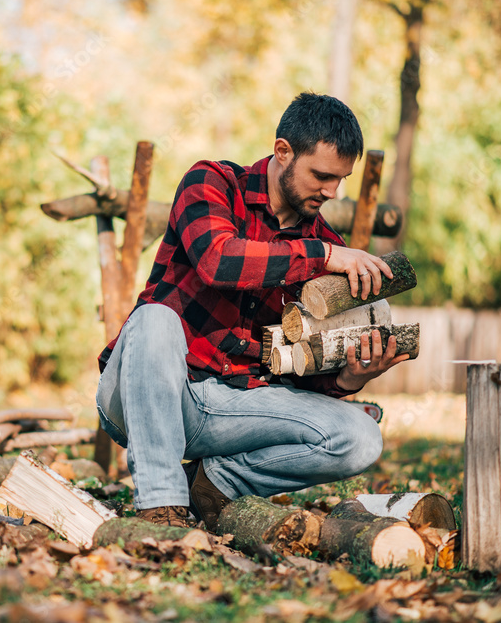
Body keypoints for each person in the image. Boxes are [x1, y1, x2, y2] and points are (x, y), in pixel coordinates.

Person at [95, 92, 411, 530]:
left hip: (234, 407)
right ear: (283, 151)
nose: (332, 192)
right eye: (321, 175)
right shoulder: (212, 182)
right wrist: (320, 256)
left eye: (341, 179)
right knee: (153, 318)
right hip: (148, 392)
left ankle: (211, 485)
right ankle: (160, 507)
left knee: (359, 438)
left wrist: (349, 377)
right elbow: (217, 260)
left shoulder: (325, 245)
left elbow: (300, 364)